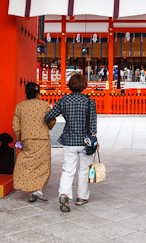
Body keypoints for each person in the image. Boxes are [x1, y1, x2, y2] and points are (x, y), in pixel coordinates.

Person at [45, 73, 98, 212]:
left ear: (70, 85)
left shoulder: (64, 101)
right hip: (85, 141)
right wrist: (94, 138)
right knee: (83, 170)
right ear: (84, 85)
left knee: (68, 169)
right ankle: (81, 197)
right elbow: (92, 124)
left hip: (69, 140)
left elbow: (49, 116)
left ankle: (64, 194)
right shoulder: (89, 101)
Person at [12, 82, 56, 202]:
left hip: (27, 138)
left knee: (27, 163)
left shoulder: (20, 106)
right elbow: (51, 120)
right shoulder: (44, 105)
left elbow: (15, 126)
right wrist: (49, 126)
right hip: (42, 138)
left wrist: (18, 139)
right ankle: (37, 189)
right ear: (38, 94)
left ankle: (32, 190)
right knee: (42, 164)